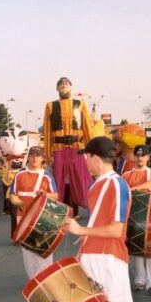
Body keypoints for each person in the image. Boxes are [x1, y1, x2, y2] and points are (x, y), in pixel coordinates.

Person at [63, 137, 134, 302]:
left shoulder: (117, 184)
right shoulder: (97, 185)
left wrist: (81, 231)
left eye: (86, 157)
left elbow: (116, 230)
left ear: (94, 157)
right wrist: (82, 250)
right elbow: (97, 223)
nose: (84, 161)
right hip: (93, 257)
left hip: (111, 258)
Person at [42, 77, 93, 211]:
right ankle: (59, 210)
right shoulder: (50, 106)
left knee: (81, 179)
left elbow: (87, 128)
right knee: (59, 180)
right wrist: (48, 156)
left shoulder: (80, 104)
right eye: (61, 83)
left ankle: (87, 206)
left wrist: (92, 152)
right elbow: (47, 132)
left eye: (67, 83)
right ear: (57, 88)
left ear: (71, 87)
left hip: (77, 148)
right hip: (59, 149)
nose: (64, 84)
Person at [8, 146, 58, 279]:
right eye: (32, 155)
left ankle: (46, 278)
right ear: (28, 157)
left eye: (38, 155)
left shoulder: (47, 175)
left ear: (42, 158)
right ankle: (33, 279)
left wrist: (45, 194)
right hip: (23, 216)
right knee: (28, 250)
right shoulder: (20, 174)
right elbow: (12, 195)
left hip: (43, 217)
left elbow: (56, 196)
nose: (35, 158)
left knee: (44, 248)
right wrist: (21, 204)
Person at [122, 145, 151, 295]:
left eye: (143, 155)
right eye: (137, 155)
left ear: (147, 157)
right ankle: (139, 278)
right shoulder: (126, 175)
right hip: (132, 217)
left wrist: (133, 189)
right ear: (134, 157)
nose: (140, 158)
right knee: (134, 249)